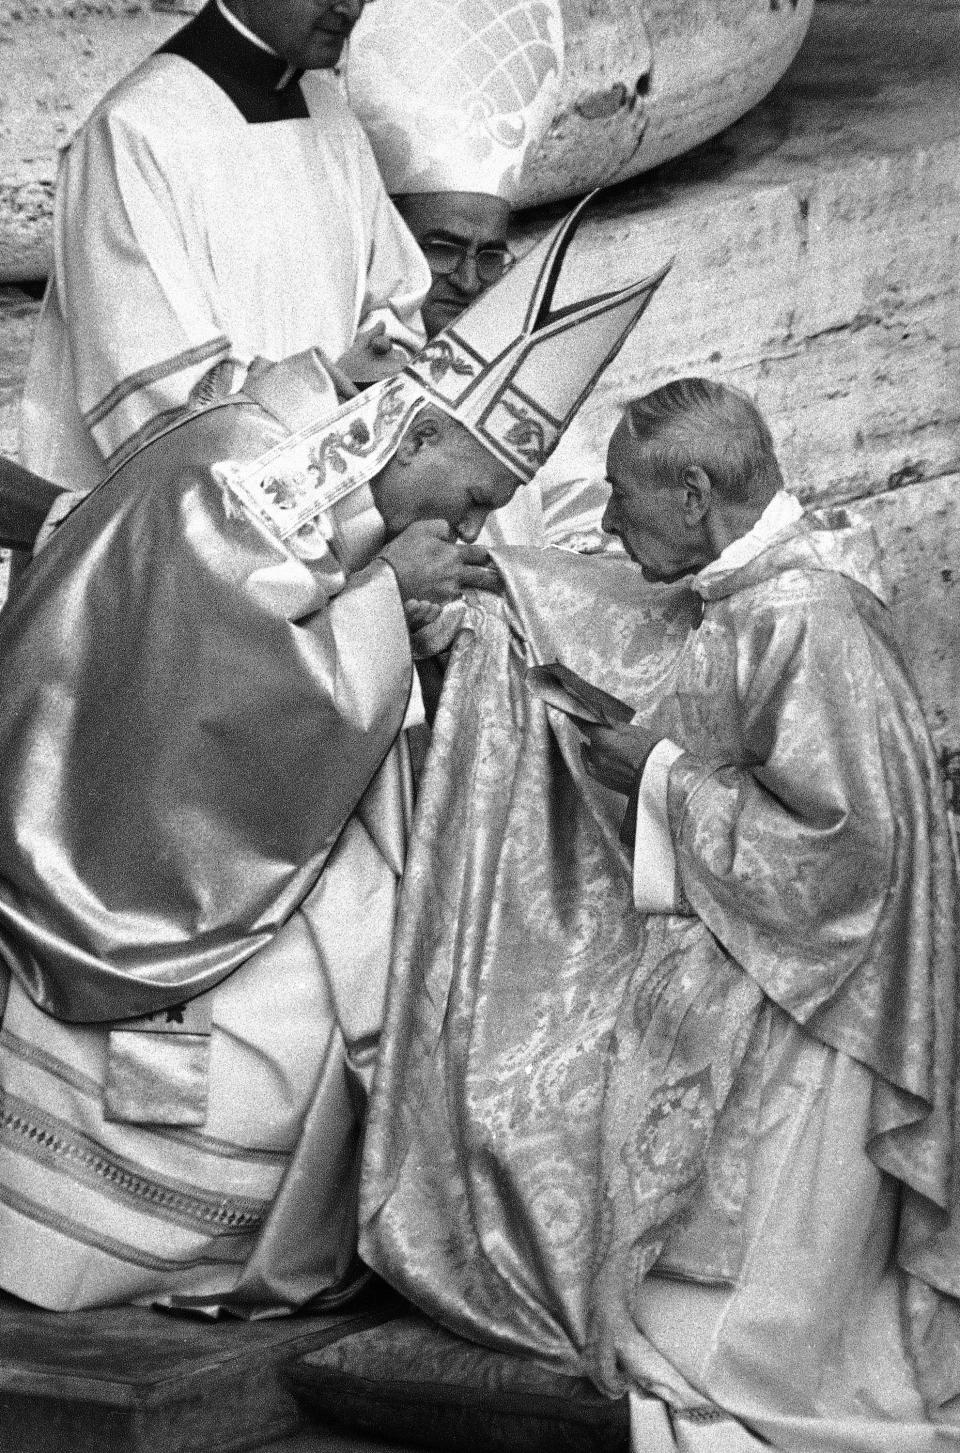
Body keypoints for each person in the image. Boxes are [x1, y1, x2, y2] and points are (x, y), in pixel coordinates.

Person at [0, 200, 667, 1312]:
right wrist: (386, 606)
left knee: (383, 951)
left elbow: (291, 582)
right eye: (469, 499)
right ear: (411, 439)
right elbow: (222, 680)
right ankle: (149, 1246)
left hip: (197, 809)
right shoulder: (237, 483)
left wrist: (388, 595)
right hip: (125, 848)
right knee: (316, 1005)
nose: (467, 526)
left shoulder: (300, 465)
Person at [358, 377, 960, 1450]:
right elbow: (637, 618)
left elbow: (850, 858)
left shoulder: (806, 621)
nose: (609, 525)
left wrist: (663, 773)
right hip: (790, 976)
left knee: (703, 1345)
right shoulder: (761, 581)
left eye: (625, 501)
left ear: (694, 493)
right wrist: (508, 582)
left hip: (824, 1015)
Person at [18, 0, 431, 503]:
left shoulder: (329, 112)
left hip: (344, 507)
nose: (350, 6)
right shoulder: (133, 131)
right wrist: (329, 390)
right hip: (201, 538)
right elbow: (163, 398)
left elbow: (398, 299)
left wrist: (373, 368)